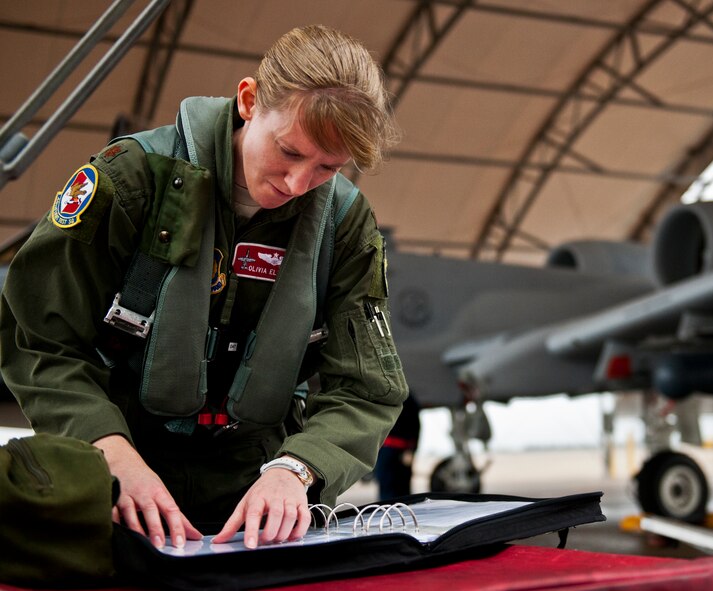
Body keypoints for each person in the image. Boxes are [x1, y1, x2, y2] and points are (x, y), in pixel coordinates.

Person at [0, 25, 408, 550]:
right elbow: (39, 341)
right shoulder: (130, 182)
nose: (296, 183)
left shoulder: (344, 225)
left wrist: (297, 472)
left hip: (256, 496)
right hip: (114, 474)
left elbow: (367, 387)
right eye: (288, 151)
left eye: (327, 167)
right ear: (248, 101)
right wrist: (112, 456)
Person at [374, 392, 420, 500]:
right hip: (390, 449)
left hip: (395, 450)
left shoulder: (389, 396)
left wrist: (411, 450)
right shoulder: (407, 397)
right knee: (392, 488)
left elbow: (415, 425)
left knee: (395, 488)